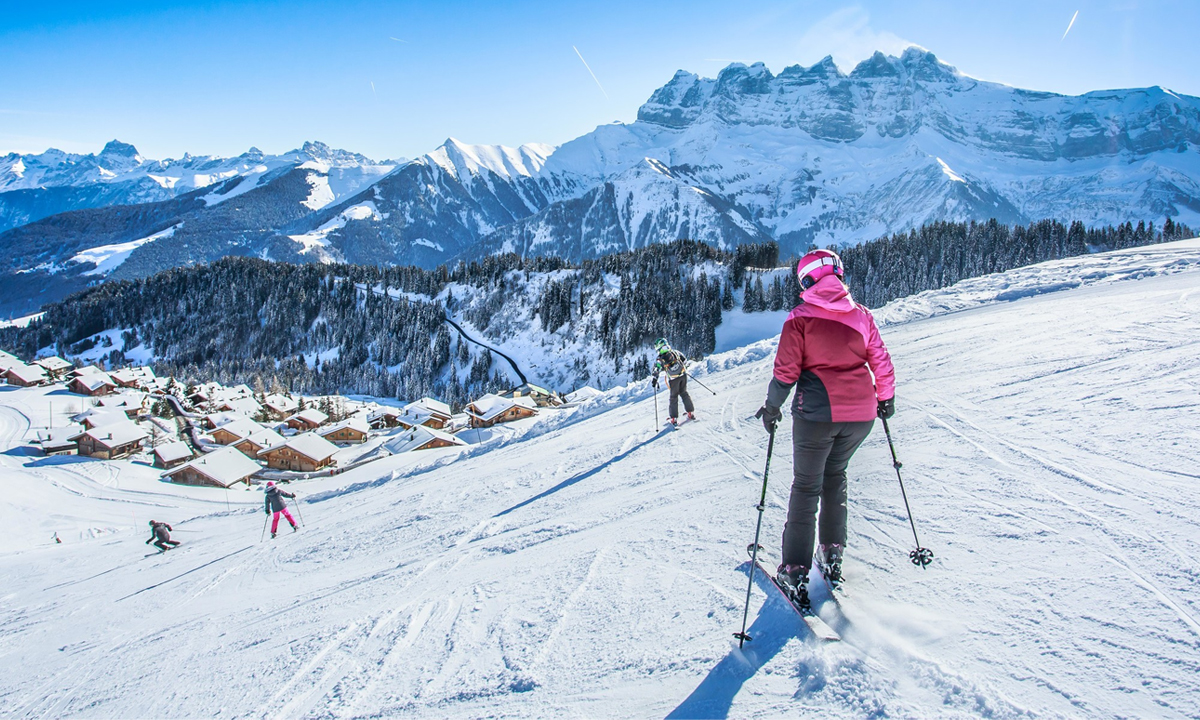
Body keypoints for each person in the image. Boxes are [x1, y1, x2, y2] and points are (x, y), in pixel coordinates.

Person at [754, 248, 895, 609]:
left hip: (817, 416)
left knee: (806, 487)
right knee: (835, 477)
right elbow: (880, 357)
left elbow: (786, 371)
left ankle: (794, 570)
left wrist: (772, 407)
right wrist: (886, 397)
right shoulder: (861, 315)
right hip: (861, 415)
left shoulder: (799, 319)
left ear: (806, 280)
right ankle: (832, 557)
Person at [651, 338, 695, 426]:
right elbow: (684, 360)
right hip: (683, 375)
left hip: (673, 379)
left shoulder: (660, 359)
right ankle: (690, 413)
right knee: (684, 393)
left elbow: (656, 369)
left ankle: (674, 419)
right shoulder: (675, 352)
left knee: (673, 397)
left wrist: (655, 379)